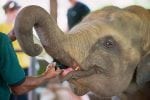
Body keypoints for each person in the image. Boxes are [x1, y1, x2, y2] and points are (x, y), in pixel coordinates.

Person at [0, 32, 62, 100]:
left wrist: (7, 40)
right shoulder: (2, 40)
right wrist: (46, 76)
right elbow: (19, 88)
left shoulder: (2, 40)